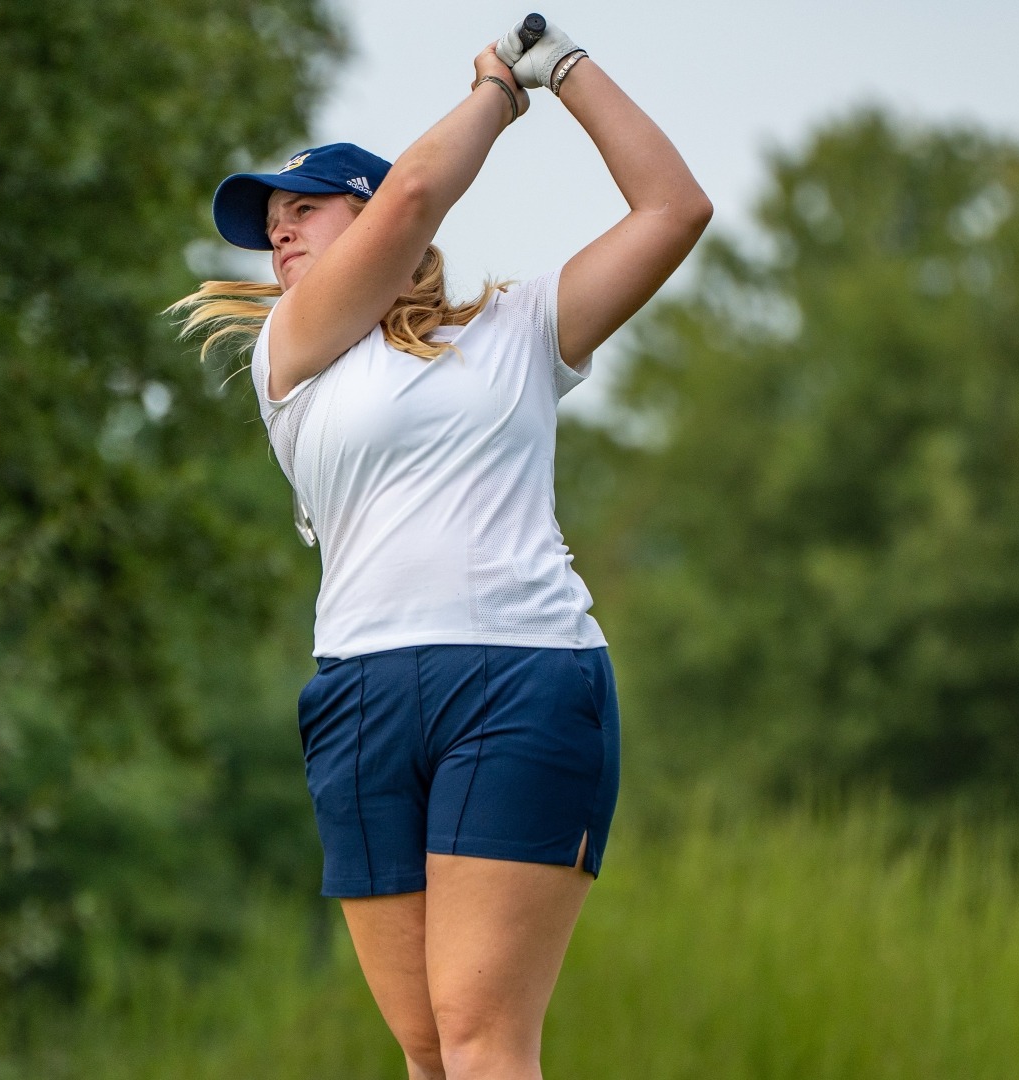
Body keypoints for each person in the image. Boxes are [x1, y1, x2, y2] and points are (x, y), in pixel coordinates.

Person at [172, 17, 710, 1080]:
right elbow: (417, 193)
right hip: (363, 694)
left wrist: (560, 71)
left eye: (305, 212)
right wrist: (495, 93)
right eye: (269, 224)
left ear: (373, 222)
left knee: (481, 1043)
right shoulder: (294, 357)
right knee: (428, 1052)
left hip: (521, 676)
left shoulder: (517, 330)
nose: (279, 237)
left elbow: (673, 210)